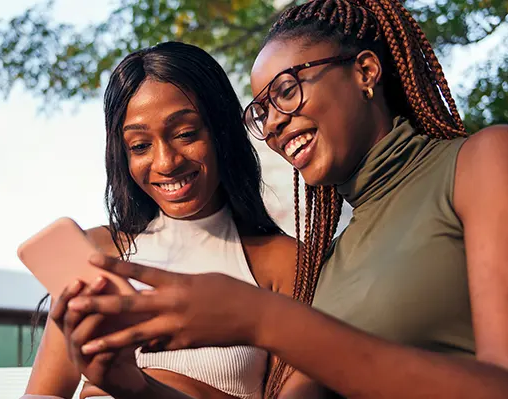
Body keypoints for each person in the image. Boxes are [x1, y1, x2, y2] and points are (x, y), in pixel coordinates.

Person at [58, 1, 508, 398]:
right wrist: (136, 388)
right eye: (261, 110)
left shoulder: (487, 162)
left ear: (365, 72)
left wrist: (260, 318)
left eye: (286, 90)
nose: (274, 122)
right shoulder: (327, 263)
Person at [22, 41, 306, 399]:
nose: (166, 162)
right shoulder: (97, 252)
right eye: (140, 146)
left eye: (185, 134)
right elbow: (42, 395)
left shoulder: (283, 264)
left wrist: (148, 385)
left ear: (222, 132)